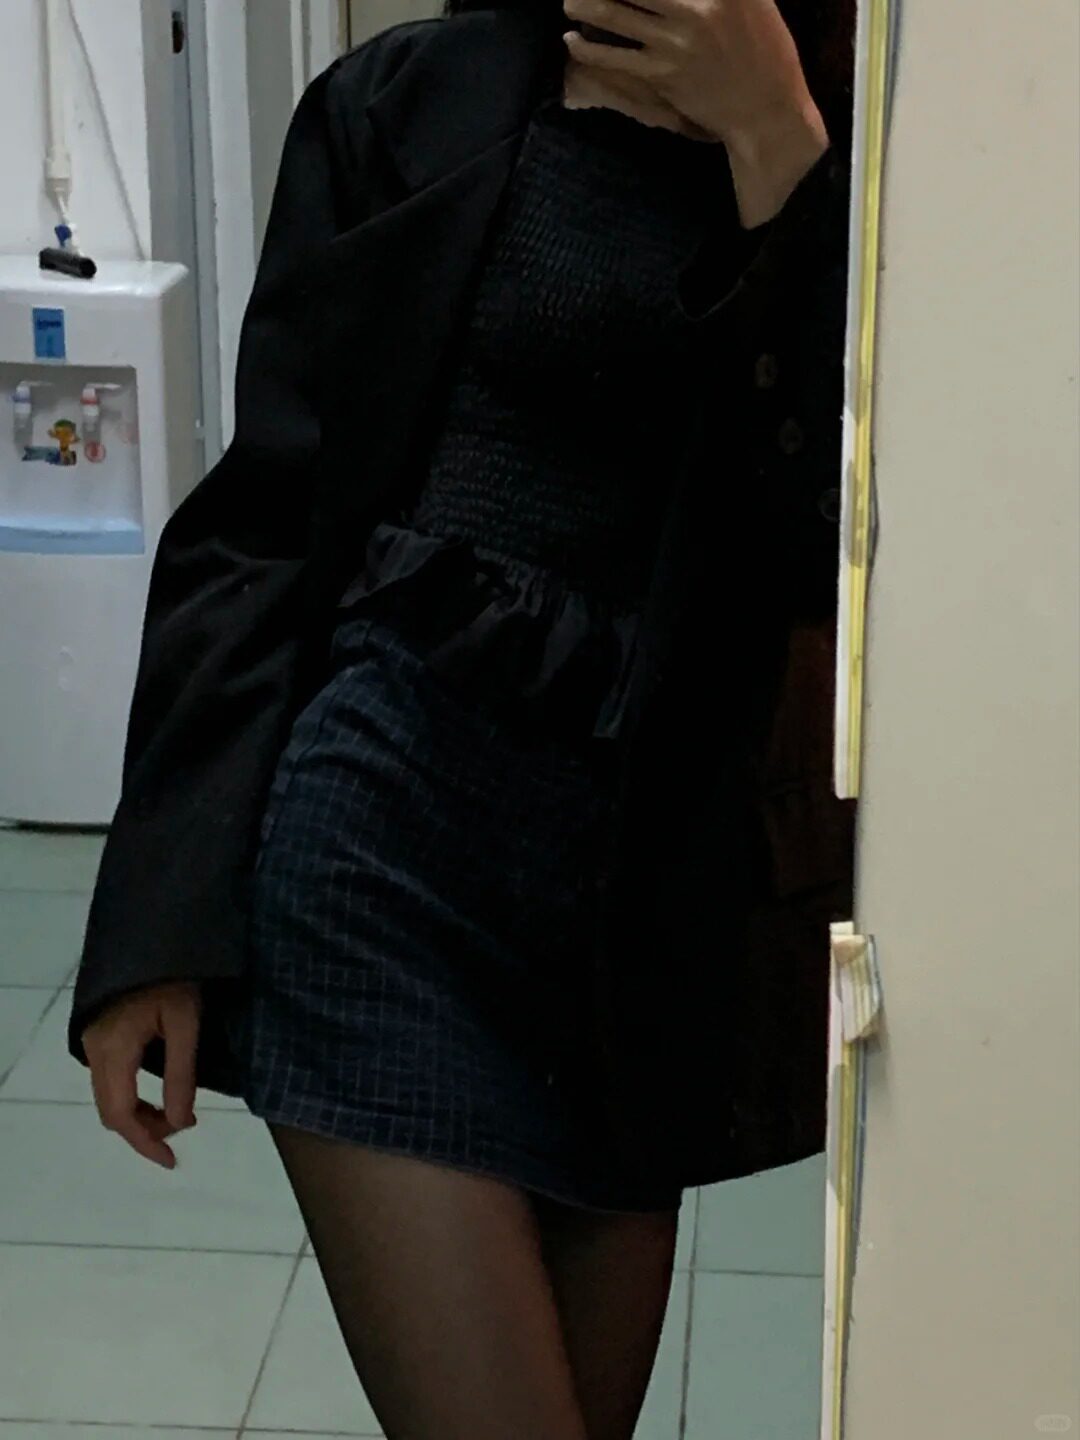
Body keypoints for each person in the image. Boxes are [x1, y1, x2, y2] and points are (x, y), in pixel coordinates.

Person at [68, 2, 856, 1436]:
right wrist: (154, 922)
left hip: (638, 926)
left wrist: (779, 152)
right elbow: (267, 522)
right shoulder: (405, 106)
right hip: (381, 851)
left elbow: (840, 562)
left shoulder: (872, 159)